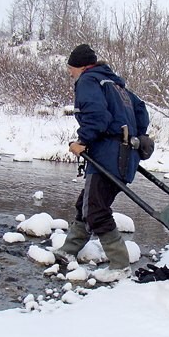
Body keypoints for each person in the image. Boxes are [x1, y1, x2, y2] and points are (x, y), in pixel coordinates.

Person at [53, 44, 150, 282]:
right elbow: (141, 112)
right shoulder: (117, 85)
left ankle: (120, 264)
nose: (71, 74)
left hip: (108, 155)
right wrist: (132, 136)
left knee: (96, 210)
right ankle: (68, 251)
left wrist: (83, 141)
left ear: (81, 66)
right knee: (87, 204)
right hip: (126, 156)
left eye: (71, 70)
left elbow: (97, 116)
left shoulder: (88, 81)